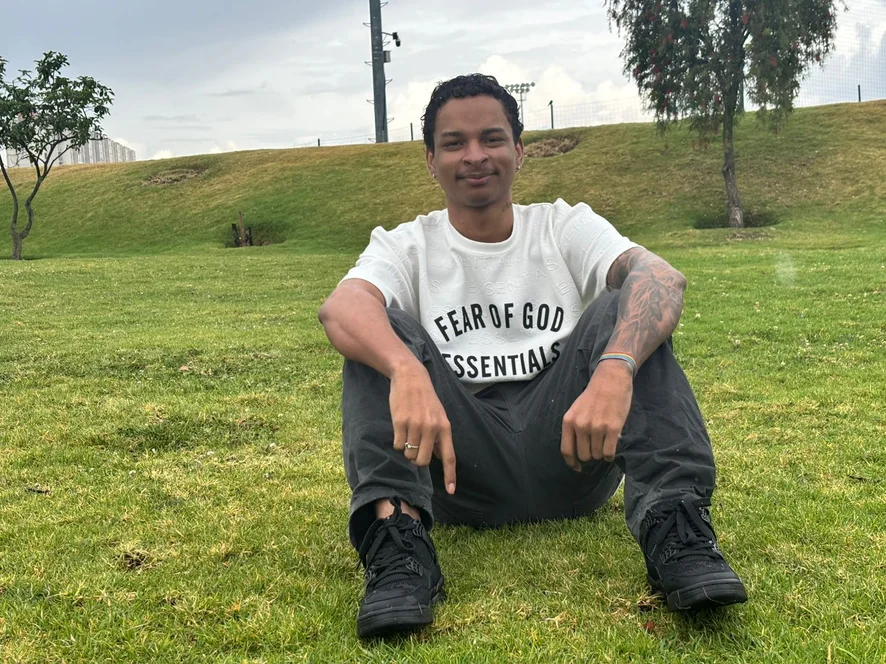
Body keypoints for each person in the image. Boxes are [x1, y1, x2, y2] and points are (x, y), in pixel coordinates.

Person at [318, 73, 747, 639]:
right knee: (382, 330)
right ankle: (398, 550)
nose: (475, 155)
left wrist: (616, 367)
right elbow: (342, 307)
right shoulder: (407, 244)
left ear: (519, 151)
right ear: (430, 161)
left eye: (492, 138)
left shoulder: (562, 225)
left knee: (627, 306)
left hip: (573, 454)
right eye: (454, 143)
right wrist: (404, 369)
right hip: (460, 472)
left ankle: (678, 530)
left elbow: (661, 278)